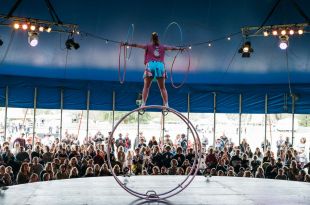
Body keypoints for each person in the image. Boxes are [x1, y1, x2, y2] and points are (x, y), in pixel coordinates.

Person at [123, 32, 184, 107]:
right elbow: (172, 48)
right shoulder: (163, 46)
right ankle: (167, 104)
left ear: (151, 39)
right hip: (160, 66)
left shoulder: (148, 46)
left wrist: (127, 44)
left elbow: (136, 45)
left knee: (146, 87)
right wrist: (180, 48)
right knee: (162, 88)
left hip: (151, 65)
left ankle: (143, 104)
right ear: (158, 38)